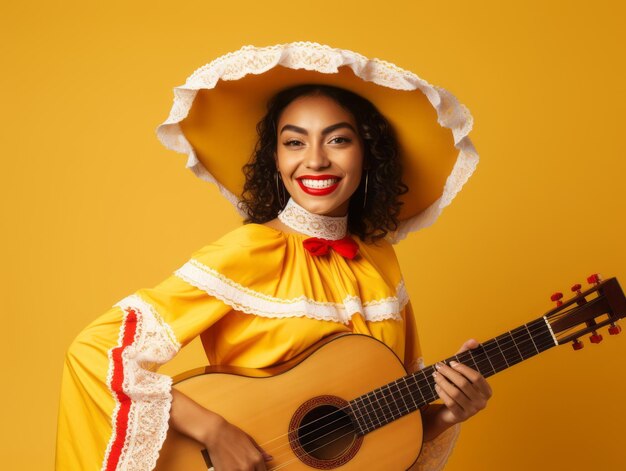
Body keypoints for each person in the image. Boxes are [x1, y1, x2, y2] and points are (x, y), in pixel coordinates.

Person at [56, 42, 490, 471]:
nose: (315, 161)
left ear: (368, 155)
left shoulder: (381, 262)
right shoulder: (250, 250)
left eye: (338, 139)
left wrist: (449, 412)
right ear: (276, 160)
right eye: (294, 143)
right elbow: (97, 350)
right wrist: (215, 431)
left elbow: (385, 428)